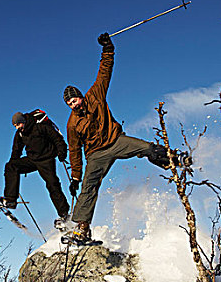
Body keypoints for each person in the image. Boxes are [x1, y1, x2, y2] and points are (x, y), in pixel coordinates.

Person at [63, 33, 191, 243]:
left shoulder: (95, 94)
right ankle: (82, 229)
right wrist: (75, 177)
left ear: (80, 96)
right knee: (89, 187)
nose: (74, 105)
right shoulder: (72, 124)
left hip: (116, 141)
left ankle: (176, 160)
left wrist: (107, 49)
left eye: (74, 100)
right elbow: (74, 150)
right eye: (69, 104)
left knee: (146, 148)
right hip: (96, 154)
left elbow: (105, 72)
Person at [0, 110, 70, 229]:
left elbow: (56, 138)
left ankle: (64, 214)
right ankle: (11, 199)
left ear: (23, 121)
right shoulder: (20, 134)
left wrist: (62, 152)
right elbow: (16, 150)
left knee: (53, 185)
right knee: (11, 166)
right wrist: (13, 166)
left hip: (46, 159)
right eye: (15, 126)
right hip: (32, 160)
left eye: (18, 124)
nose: (17, 128)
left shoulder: (39, 126)